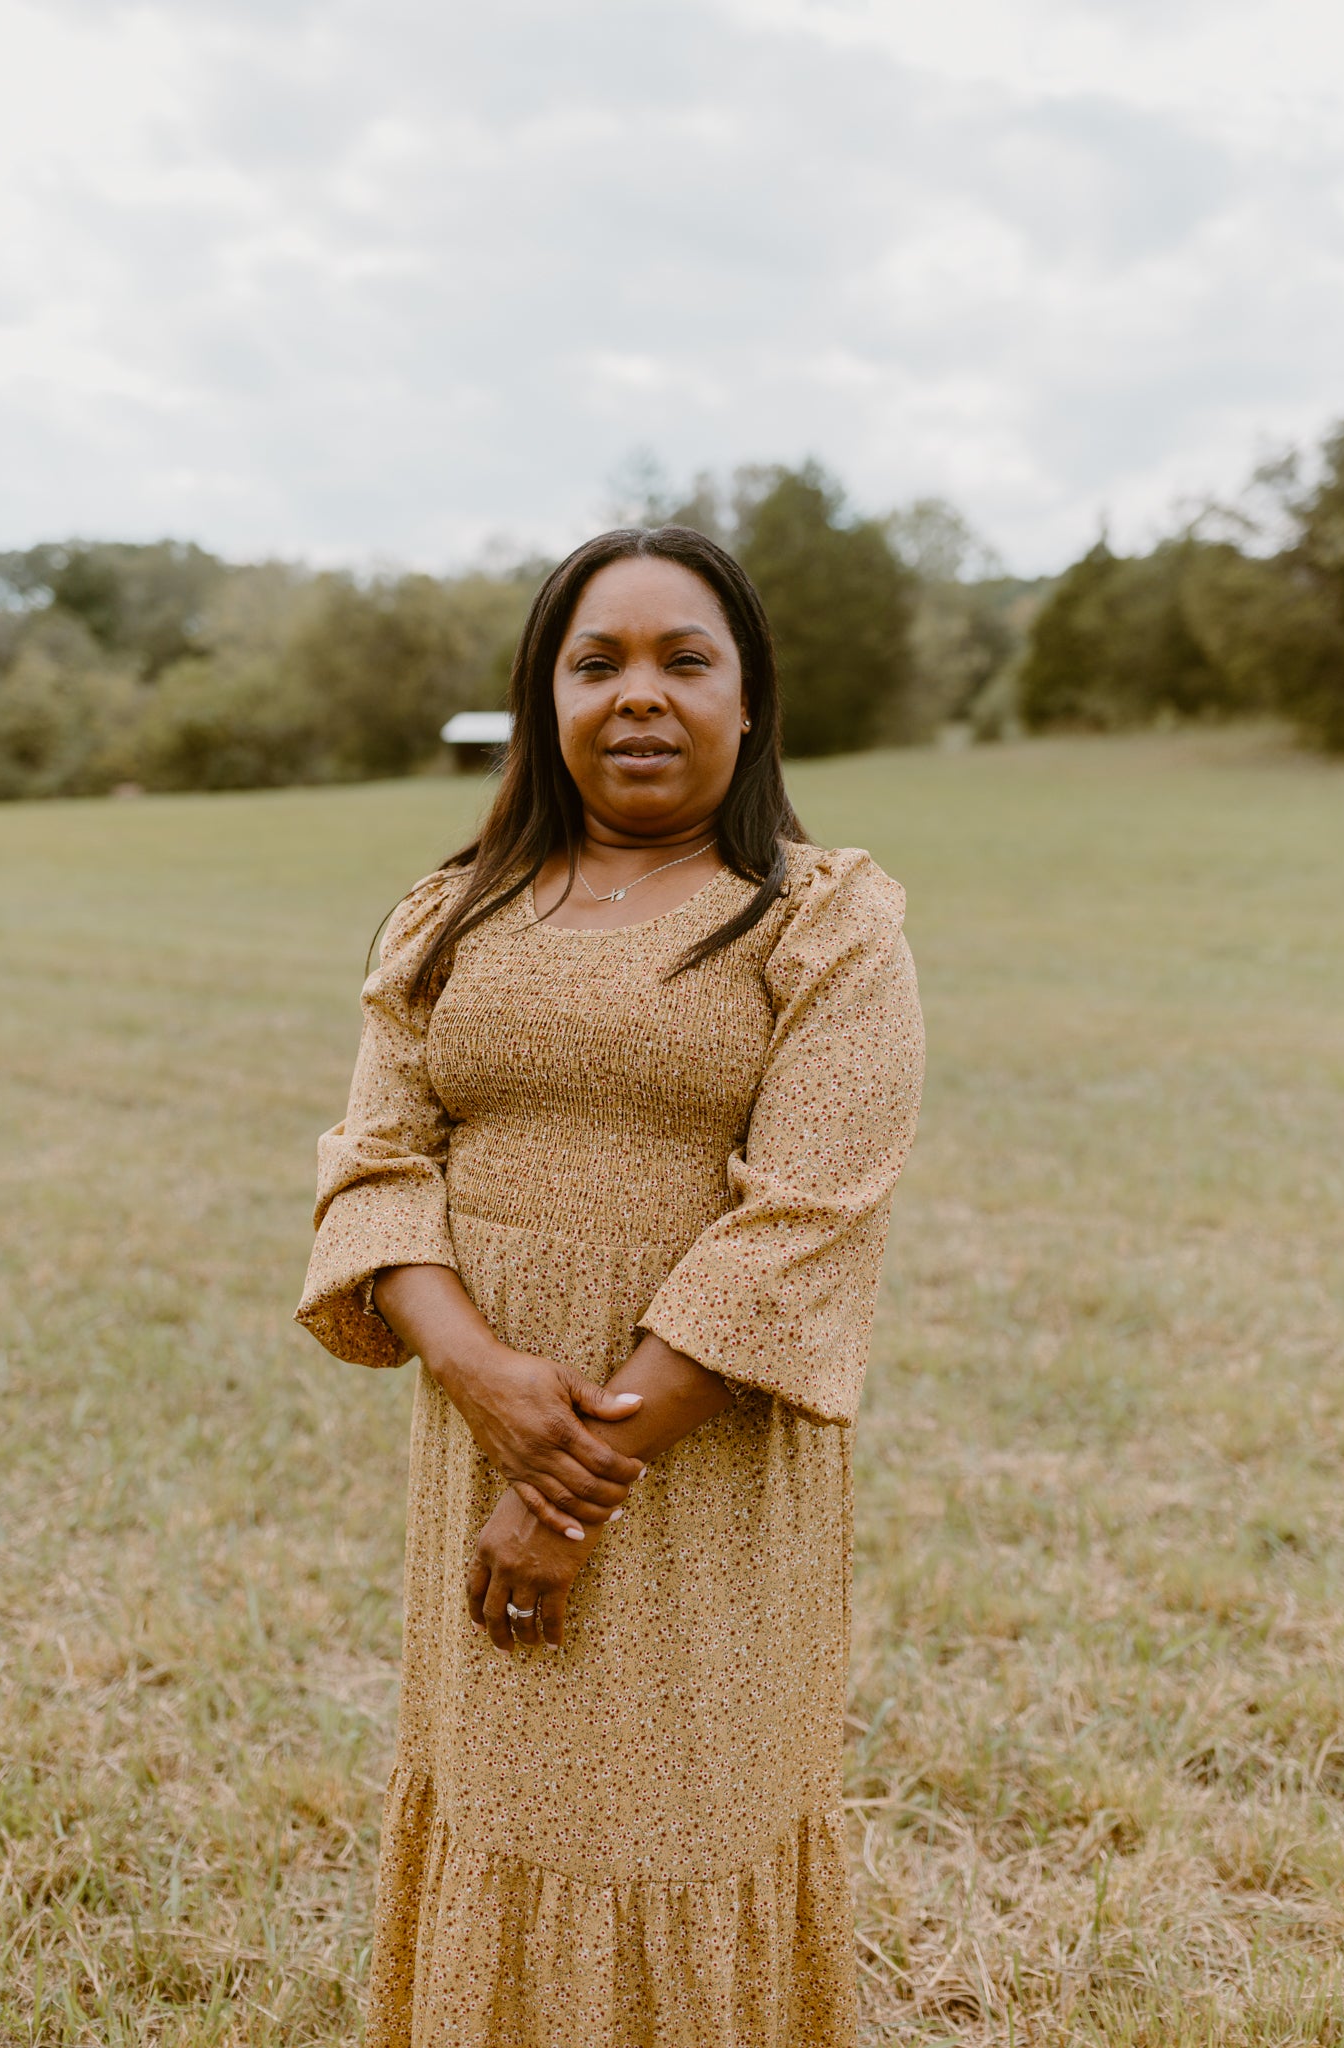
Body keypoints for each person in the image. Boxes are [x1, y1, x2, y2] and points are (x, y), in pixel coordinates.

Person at [296, 525, 925, 2048]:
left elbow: (804, 1223)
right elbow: (376, 1163)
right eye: (598, 662)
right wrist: (481, 1378)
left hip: (693, 1460)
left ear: (750, 699)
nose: (639, 695)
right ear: (546, 699)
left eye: (683, 658)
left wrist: (571, 1480)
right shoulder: (447, 913)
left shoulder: (823, 918)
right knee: (508, 1789)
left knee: (677, 1820)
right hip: (487, 1426)